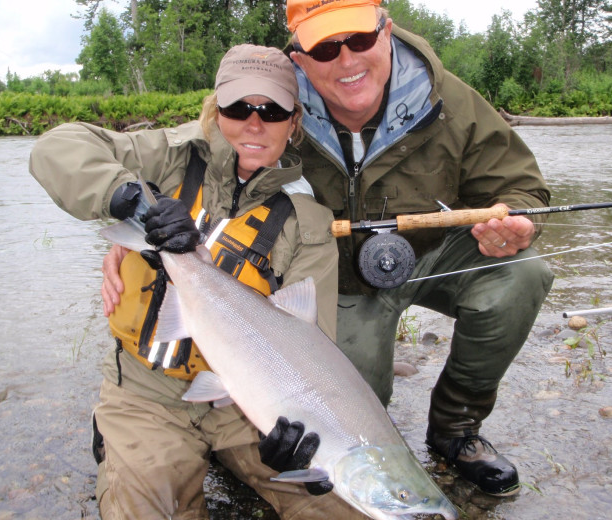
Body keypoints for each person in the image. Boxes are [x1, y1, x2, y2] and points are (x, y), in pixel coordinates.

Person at [30, 44, 368, 520]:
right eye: (238, 108)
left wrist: (299, 441)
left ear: (294, 124)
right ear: (215, 109)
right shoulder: (167, 158)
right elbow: (56, 148)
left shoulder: (308, 222)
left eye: (272, 111)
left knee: (342, 506)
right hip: (148, 393)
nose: (254, 124)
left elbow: (314, 352)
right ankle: (124, 442)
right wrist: (129, 199)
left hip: (246, 411)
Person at [282, 0, 555, 497]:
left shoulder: (446, 97)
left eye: (360, 40)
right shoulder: (272, 105)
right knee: (352, 411)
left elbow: (521, 187)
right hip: (332, 279)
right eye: (325, 47)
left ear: (386, 31)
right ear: (299, 58)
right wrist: (140, 236)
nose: (347, 61)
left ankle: (456, 429)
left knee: (522, 274)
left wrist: (515, 221)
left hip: (429, 256)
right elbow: (200, 169)